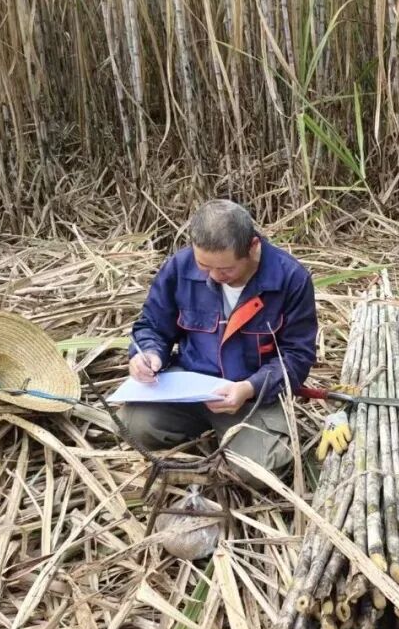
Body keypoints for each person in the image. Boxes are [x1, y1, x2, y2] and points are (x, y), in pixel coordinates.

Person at [122, 200, 318, 487]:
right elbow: (152, 325)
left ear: (253, 247)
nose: (214, 276)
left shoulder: (290, 279)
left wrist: (250, 387)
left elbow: (297, 356)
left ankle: (231, 448)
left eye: (226, 269)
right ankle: (203, 436)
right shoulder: (179, 267)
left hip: (250, 396)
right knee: (132, 425)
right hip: (189, 390)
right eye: (204, 265)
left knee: (261, 470)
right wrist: (149, 353)